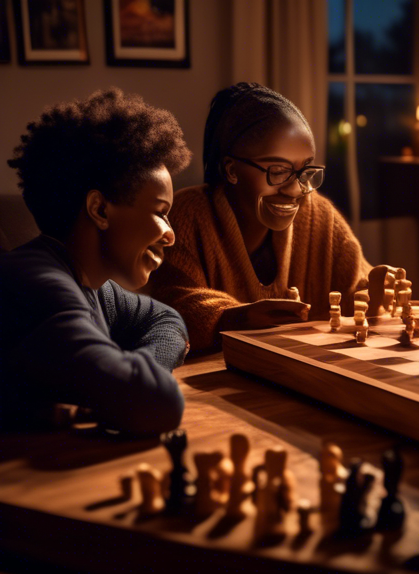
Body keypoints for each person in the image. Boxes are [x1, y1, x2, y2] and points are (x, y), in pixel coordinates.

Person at [1, 88, 190, 435]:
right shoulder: (40, 286)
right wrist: (126, 383)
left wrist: (129, 371)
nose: (170, 234)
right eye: (161, 213)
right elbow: (153, 403)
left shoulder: (92, 285)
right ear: (100, 209)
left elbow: (167, 320)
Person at [147, 83, 389, 352]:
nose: (296, 189)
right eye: (278, 170)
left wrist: (373, 292)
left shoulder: (318, 214)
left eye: (305, 170)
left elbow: (354, 284)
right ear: (231, 170)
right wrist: (233, 318)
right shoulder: (186, 215)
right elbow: (172, 305)